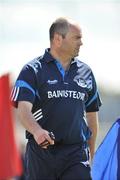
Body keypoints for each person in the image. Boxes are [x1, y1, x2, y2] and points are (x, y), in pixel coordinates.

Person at [11, 17, 102, 180]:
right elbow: (23, 111)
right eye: (77, 38)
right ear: (58, 39)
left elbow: (92, 118)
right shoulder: (32, 70)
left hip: (76, 155)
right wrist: (37, 131)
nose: (81, 43)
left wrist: (91, 155)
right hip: (41, 154)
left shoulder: (86, 73)